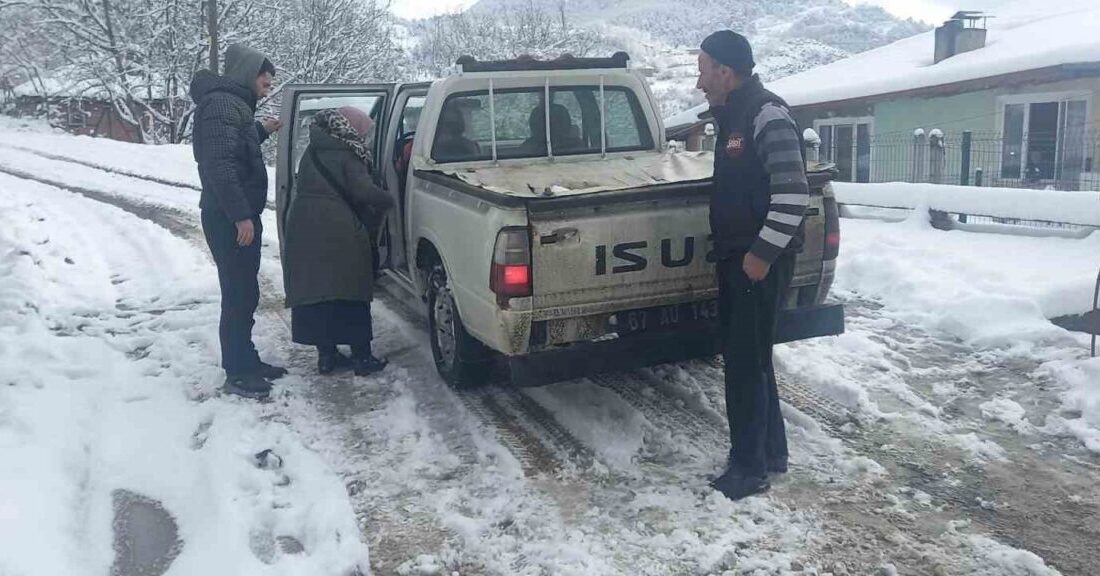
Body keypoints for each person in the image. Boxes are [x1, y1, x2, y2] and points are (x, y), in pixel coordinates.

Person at [695, 30, 809, 500]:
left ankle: (748, 469)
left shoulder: (765, 113)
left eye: (703, 70)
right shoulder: (733, 116)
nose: (699, 82)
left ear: (725, 70)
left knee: (744, 364)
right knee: (754, 359)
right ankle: (770, 453)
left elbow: (794, 193)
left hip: (756, 262)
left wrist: (760, 256)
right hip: (742, 257)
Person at [191, 44, 287, 400]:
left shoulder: (233, 104)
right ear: (249, 72)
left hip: (234, 213)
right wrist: (240, 216)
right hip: (228, 216)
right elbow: (219, 165)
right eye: (266, 76)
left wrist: (262, 130)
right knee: (237, 293)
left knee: (246, 291)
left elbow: (235, 147)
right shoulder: (221, 104)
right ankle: (237, 371)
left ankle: (247, 360)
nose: (269, 83)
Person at [280, 107, 392, 376]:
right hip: (338, 228)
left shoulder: (313, 151)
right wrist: (390, 200)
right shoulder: (348, 153)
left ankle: (327, 357)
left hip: (304, 226)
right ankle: (362, 358)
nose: (365, 137)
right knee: (350, 289)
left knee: (318, 292)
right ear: (351, 129)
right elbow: (362, 191)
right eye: (364, 131)